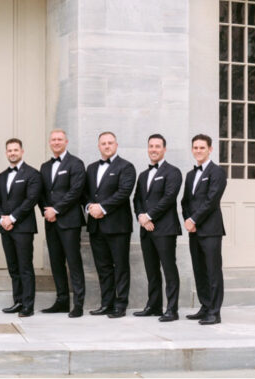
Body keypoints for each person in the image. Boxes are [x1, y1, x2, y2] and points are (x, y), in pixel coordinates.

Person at [84, 130, 135, 318]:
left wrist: (102, 208)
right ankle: (106, 303)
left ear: (116, 145)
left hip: (117, 226)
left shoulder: (126, 167)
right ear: (99, 146)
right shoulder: (90, 168)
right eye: (103, 143)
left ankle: (120, 305)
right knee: (103, 267)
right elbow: (86, 193)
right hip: (96, 226)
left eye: (110, 143)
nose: (107, 146)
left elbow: (124, 193)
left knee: (120, 266)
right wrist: (90, 207)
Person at [132, 133, 182, 322]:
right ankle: (153, 306)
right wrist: (141, 217)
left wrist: (149, 216)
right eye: (151, 146)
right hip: (146, 229)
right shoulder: (143, 175)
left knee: (169, 269)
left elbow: (169, 198)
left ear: (164, 149)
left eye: (157, 146)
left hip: (165, 229)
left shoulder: (173, 172)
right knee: (151, 270)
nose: (153, 149)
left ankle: (172, 309)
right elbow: (137, 198)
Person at [38, 129, 86, 317]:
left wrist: (56, 210)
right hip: (51, 222)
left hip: (69, 221)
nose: (56, 142)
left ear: (66, 141)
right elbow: (41, 193)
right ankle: (62, 301)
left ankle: (79, 304)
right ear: (50, 143)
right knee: (56, 263)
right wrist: (46, 210)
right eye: (53, 140)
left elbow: (75, 191)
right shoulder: (45, 167)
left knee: (74, 262)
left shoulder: (75, 163)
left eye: (59, 139)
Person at [0, 138, 41, 318]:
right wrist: (1, 219)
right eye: (9, 150)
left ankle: (28, 305)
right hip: (5, 227)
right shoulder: (2, 176)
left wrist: (12, 217)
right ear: (6, 153)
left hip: (23, 228)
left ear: (22, 151)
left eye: (15, 150)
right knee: (13, 268)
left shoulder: (32, 174)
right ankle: (18, 301)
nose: (12, 153)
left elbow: (30, 201)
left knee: (25, 267)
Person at [182, 133, 227, 325]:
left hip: (210, 230)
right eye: (195, 147)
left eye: (202, 147)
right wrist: (187, 220)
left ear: (210, 149)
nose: (198, 151)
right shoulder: (191, 174)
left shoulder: (217, 172)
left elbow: (211, 200)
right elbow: (185, 201)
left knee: (212, 271)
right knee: (199, 270)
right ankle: (205, 306)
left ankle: (215, 312)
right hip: (194, 230)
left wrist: (194, 219)